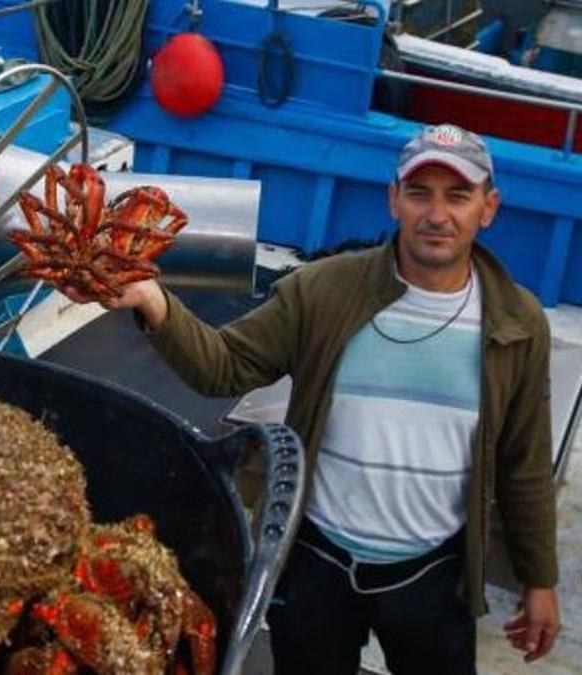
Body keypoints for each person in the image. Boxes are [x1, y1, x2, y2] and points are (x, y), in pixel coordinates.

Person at [65, 123, 561, 674]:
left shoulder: (518, 324)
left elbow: (525, 463)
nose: (437, 214)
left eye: (458, 195)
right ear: (394, 198)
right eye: (420, 193)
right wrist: (152, 300)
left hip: (433, 573)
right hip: (317, 560)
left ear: (488, 208)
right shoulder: (323, 289)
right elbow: (223, 368)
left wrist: (540, 581)